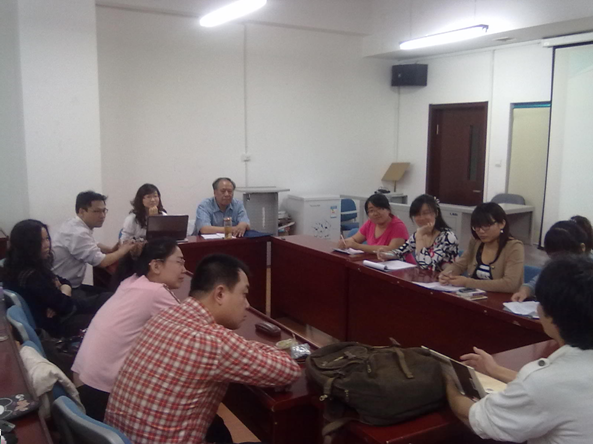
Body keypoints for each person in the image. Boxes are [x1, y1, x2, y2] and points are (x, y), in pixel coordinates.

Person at [105, 254, 301, 444]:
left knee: (218, 428)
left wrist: (244, 346)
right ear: (220, 294)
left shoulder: (163, 317)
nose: (247, 305)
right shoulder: (213, 342)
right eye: (244, 294)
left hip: (120, 437)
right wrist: (263, 349)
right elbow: (288, 370)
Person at [446, 255, 593, 443]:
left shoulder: (546, 381)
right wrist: (495, 370)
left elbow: (476, 418)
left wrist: (447, 381)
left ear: (551, 316)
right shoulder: (557, 379)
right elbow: (559, 391)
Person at [71, 238, 185, 421]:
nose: (184, 269)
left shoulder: (131, 281)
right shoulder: (155, 292)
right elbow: (192, 328)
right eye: (179, 262)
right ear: (156, 266)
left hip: (82, 379)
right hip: (100, 392)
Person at [3, 220, 109, 337]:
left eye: (47, 239)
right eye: (40, 241)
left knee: (107, 298)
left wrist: (62, 292)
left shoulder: (25, 264)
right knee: (107, 318)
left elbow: (63, 281)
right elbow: (66, 307)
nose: (47, 244)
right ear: (27, 245)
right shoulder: (31, 276)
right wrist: (61, 295)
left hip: (63, 309)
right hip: (57, 325)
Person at [52, 191, 136, 293]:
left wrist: (110, 250)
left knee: (108, 290)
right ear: (82, 211)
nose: (102, 215)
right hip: (63, 290)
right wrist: (122, 251)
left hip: (70, 285)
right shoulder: (78, 233)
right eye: (97, 211)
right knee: (114, 296)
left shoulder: (74, 224)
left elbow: (92, 243)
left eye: (104, 211)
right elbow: (101, 262)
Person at [439, 202, 524, 293]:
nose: (481, 231)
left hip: (502, 299)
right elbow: (460, 265)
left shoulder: (514, 246)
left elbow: (510, 284)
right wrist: (446, 274)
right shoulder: (476, 242)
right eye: (477, 227)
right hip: (475, 297)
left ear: (502, 224)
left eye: (486, 226)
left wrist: (467, 282)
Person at [377, 194, 459, 271]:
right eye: (417, 214)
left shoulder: (447, 237)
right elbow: (400, 252)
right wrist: (386, 254)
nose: (421, 218)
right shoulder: (420, 233)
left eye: (426, 213)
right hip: (424, 279)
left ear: (436, 213)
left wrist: (419, 236)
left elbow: (427, 266)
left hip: (444, 280)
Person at [511, 220, 587, 302]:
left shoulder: (588, 272)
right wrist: (524, 291)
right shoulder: (553, 265)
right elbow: (534, 284)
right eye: (553, 256)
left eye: (563, 256)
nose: (558, 261)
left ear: (581, 248)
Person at [337, 193, 409, 254]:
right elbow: (354, 239)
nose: (376, 213)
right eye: (371, 211)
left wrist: (357, 246)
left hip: (399, 264)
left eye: (380, 209)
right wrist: (345, 242)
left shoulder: (398, 226)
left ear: (388, 209)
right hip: (375, 262)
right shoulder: (370, 223)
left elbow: (392, 250)